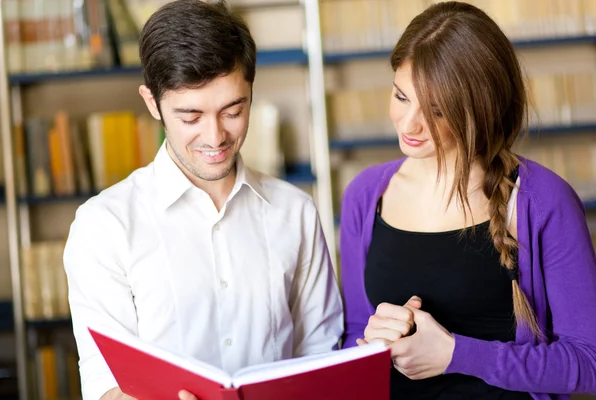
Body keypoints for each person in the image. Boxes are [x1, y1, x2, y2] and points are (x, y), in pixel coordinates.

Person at [63, 1, 343, 399]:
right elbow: (104, 381)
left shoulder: (295, 211)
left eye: (233, 110)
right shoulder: (104, 226)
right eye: (190, 117)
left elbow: (320, 354)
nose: (215, 137)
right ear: (152, 103)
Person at [340, 1, 596, 399]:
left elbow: (588, 362)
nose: (409, 125)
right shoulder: (366, 195)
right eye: (402, 96)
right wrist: (372, 345)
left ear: (479, 110)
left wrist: (457, 355)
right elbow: (355, 336)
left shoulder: (543, 201)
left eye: (438, 111)